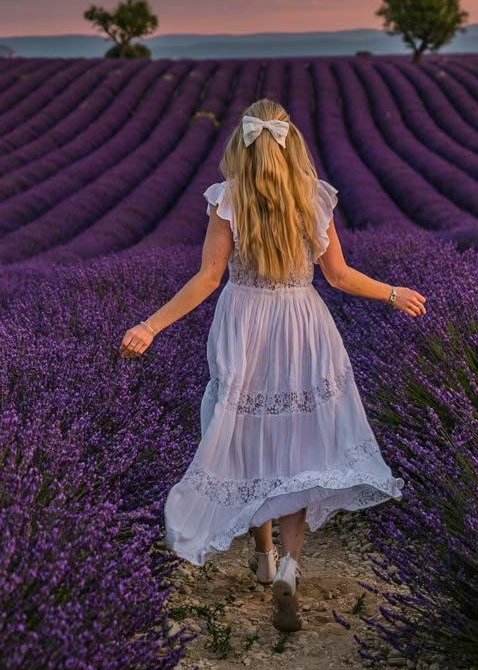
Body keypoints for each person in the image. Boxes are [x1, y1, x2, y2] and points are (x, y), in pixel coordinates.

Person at [119, 99, 427, 633]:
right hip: (303, 325)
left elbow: (207, 281)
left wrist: (150, 324)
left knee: (244, 435)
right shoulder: (312, 200)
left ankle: (260, 557)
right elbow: (340, 277)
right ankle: (288, 565)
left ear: (241, 142)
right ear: (293, 143)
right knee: (299, 441)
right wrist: (393, 292)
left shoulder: (229, 200)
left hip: (245, 324)